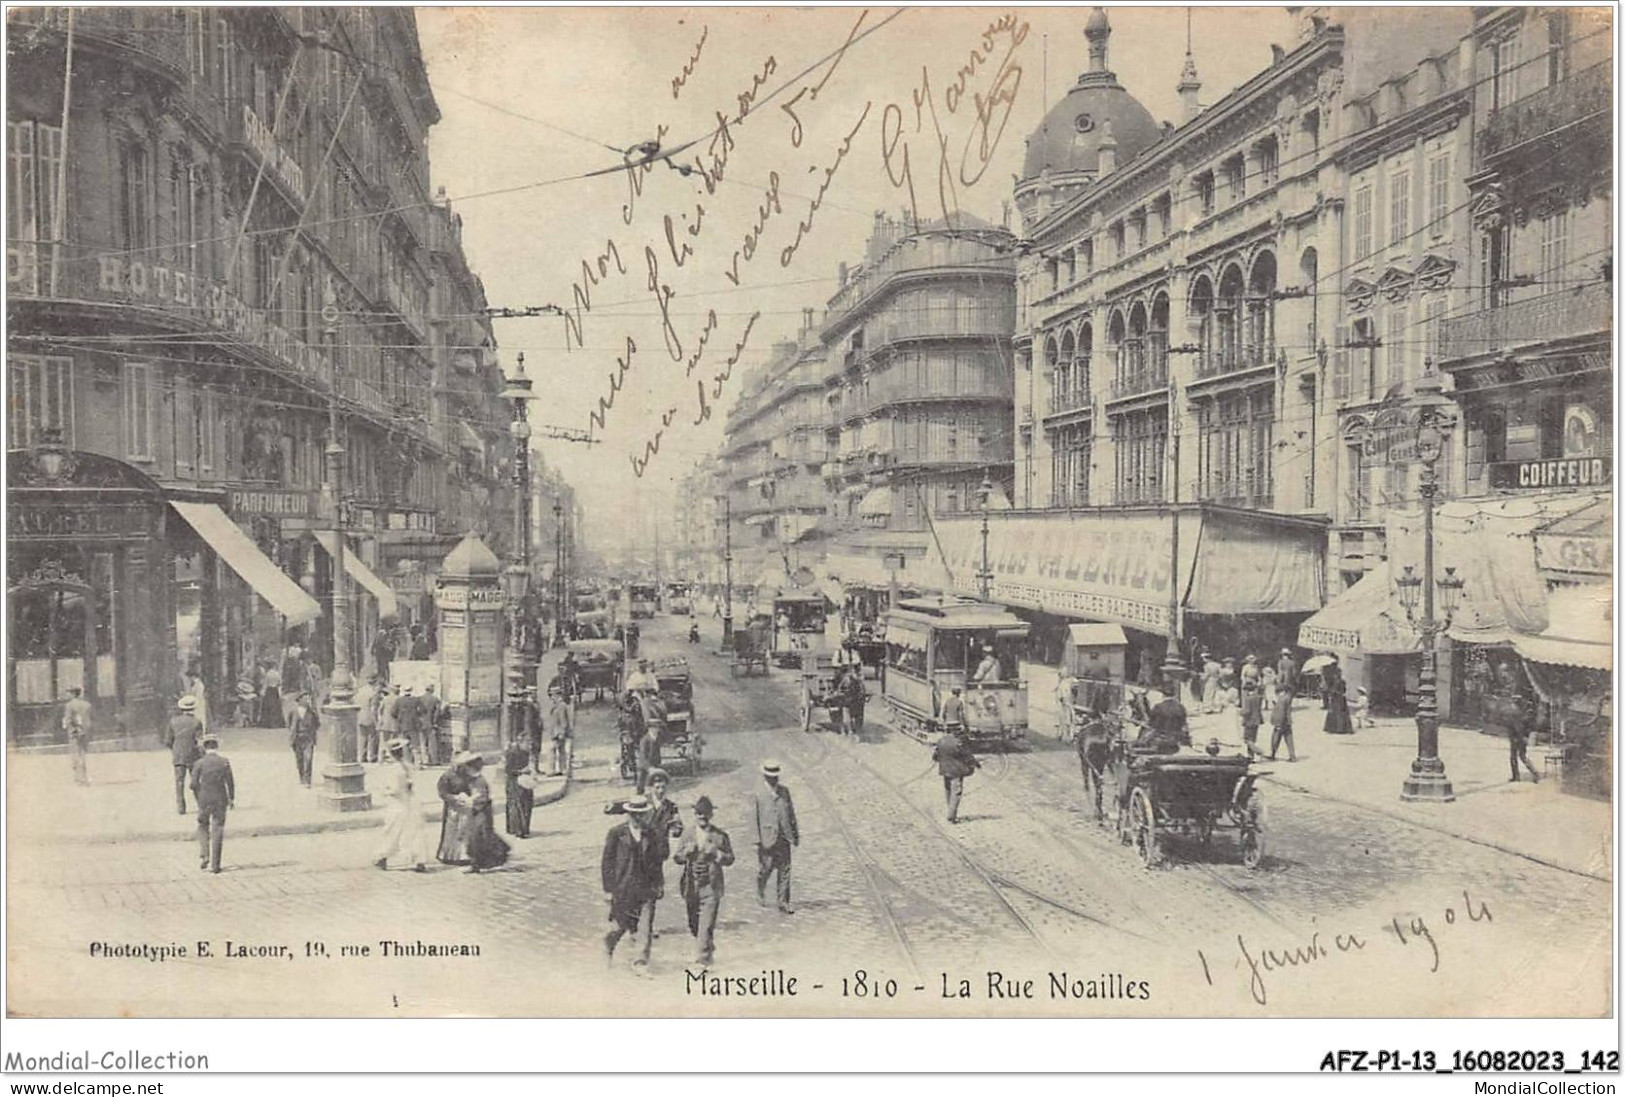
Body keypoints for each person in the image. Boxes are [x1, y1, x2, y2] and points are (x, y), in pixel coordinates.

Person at [601, 795, 661, 975]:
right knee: (620, 926)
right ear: (628, 814)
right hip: (623, 888)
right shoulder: (616, 833)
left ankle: (640, 962)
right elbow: (607, 863)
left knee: (645, 927)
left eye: (640, 814)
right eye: (634, 814)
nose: (637, 818)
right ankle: (608, 945)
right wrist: (608, 889)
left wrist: (659, 883)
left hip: (645, 887)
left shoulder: (650, 833)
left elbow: (656, 862)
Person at [673, 795, 734, 966]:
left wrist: (717, 853)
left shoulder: (720, 836)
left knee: (706, 925)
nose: (702, 817)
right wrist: (685, 853)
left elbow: (730, 858)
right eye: (699, 813)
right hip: (691, 885)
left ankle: (703, 959)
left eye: (705, 813)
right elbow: (676, 858)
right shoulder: (688, 833)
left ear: (711, 815)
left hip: (711, 885)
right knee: (694, 925)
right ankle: (706, 945)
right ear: (694, 815)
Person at [374, 738, 429, 872]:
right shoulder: (407, 766)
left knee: (392, 831)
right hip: (411, 802)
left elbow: (395, 790)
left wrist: (384, 791)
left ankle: (382, 857)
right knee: (414, 831)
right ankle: (419, 860)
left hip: (398, 804)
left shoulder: (395, 770)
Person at [751, 760, 799, 914]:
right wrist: (757, 839)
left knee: (785, 869)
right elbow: (753, 818)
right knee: (767, 868)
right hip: (767, 838)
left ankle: (783, 901)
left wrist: (795, 833)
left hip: (784, 836)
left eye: (776, 776)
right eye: (771, 777)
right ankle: (760, 886)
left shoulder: (784, 792)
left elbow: (791, 813)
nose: (774, 779)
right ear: (765, 776)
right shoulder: (758, 794)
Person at [190, 734, 234, 874]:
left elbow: (193, 784)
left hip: (204, 799)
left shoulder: (199, 763)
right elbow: (230, 783)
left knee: (202, 826)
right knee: (218, 828)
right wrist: (231, 799)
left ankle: (204, 854)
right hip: (220, 799)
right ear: (217, 746)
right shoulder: (224, 762)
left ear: (204, 747)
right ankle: (216, 864)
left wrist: (199, 796)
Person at [461, 754, 509, 873]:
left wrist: (471, 802)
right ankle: (477, 863)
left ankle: (479, 862)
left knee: (478, 837)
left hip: (481, 812)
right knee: (476, 837)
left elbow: (482, 797)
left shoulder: (480, 781)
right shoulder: (473, 780)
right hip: (477, 812)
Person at [436, 752, 478, 866]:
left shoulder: (468, 775)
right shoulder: (447, 776)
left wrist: (471, 797)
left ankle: (465, 855)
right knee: (452, 831)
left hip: (466, 807)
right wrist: (453, 798)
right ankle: (449, 855)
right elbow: (442, 792)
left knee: (465, 830)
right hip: (452, 808)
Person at [165, 696, 204, 814]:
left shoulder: (173, 721)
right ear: (193, 708)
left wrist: (175, 749)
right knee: (196, 780)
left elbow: (168, 741)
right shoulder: (197, 721)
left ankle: (181, 807)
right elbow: (199, 741)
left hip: (178, 755)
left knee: (179, 781)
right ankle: (200, 805)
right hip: (193, 755)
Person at [932, 726, 979, 824]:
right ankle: (951, 816)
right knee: (956, 792)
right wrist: (975, 763)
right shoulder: (959, 742)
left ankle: (950, 811)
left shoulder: (941, 741)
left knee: (948, 790)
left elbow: (935, 756)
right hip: (956, 771)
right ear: (956, 731)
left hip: (944, 770)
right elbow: (967, 755)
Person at [1137, 689, 1190, 754]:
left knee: (1142, 739)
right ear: (1174, 696)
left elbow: (1151, 723)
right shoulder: (1181, 707)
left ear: (1163, 696)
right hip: (1177, 737)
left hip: (1161, 736)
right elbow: (1183, 723)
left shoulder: (1158, 707)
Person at [504, 732, 536, 838]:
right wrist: (520, 771)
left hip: (525, 781)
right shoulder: (512, 753)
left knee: (527, 804)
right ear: (521, 743)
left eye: (530, 743)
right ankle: (518, 830)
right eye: (527, 743)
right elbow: (507, 770)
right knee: (518, 806)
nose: (529, 746)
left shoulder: (527, 753)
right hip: (513, 783)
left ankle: (525, 829)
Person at [62, 686, 93, 786]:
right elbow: (91, 718)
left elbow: (68, 719)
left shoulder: (69, 705)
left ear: (72, 694)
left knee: (75, 754)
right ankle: (83, 777)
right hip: (86, 731)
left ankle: (80, 778)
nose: (67, 695)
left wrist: (69, 728)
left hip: (75, 732)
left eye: (68, 693)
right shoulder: (87, 704)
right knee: (82, 753)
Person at [288, 691, 319, 787]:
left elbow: (317, 724)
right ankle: (302, 777)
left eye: (309, 698)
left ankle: (307, 780)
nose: (307, 700)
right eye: (305, 698)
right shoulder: (293, 712)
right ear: (300, 700)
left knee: (308, 759)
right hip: (297, 738)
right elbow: (289, 724)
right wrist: (292, 735)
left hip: (308, 738)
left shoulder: (312, 712)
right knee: (299, 759)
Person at [1510, 699, 1542, 783]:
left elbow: (1518, 728)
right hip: (1520, 738)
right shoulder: (1523, 715)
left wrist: (1520, 736)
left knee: (1517, 757)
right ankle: (1533, 774)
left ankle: (1517, 776)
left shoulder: (1519, 715)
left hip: (1517, 738)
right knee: (1521, 757)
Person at [548, 683, 575, 776]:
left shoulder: (561, 706)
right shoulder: (556, 705)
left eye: (553, 695)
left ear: (557, 695)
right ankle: (562, 769)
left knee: (553, 750)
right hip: (555, 732)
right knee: (561, 750)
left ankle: (552, 770)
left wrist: (562, 732)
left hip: (558, 733)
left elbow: (564, 721)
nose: (552, 697)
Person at [1322, 660, 1353, 736]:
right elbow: (1344, 689)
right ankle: (1342, 728)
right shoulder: (1341, 681)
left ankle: (1336, 729)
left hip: (1336, 698)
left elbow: (1332, 690)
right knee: (1341, 713)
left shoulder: (1334, 680)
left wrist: (1331, 691)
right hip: (1341, 698)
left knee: (1335, 712)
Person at [395, 684, 423, 765]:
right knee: (415, 745)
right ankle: (418, 762)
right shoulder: (416, 700)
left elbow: (393, 712)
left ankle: (407, 762)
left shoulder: (399, 700)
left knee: (405, 745)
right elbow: (422, 710)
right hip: (414, 725)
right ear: (411, 690)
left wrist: (399, 717)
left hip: (402, 725)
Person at [1239, 670, 1265, 759]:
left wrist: (1240, 712)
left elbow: (1246, 711)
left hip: (1249, 721)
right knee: (1253, 739)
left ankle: (1258, 751)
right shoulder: (1258, 697)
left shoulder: (1248, 699)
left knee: (1247, 740)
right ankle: (1250, 756)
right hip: (1257, 720)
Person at [635, 716, 663, 795]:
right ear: (650, 728)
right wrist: (649, 767)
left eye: (658, 728)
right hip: (644, 766)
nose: (657, 730)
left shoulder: (657, 738)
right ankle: (639, 796)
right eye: (655, 728)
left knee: (655, 784)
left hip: (655, 764)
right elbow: (643, 756)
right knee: (641, 784)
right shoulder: (644, 740)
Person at [356, 676, 379, 764]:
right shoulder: (373, 693)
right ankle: (371, 756)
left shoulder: (360, 691)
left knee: (362, 737)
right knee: (372, 737)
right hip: (369, 717)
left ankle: (361, 756)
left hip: (360, 716)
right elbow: (373, 709)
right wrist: (376, 721)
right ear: (374, 682)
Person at [1270, 685, 1297, 762]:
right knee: (1289, 739)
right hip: (1287, 721)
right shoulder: (1288, 698)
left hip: (1280, 722)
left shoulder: (1282, 700)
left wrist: (1278, 723)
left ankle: (1273, 754)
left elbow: (1281, 712)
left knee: (1275, 738)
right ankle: (1292, 756)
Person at [420, 684, 443, 765]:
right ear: (432, 690)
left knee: (422, 742)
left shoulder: (420, 698)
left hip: (421, 723)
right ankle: (434, 760)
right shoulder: (435, 699)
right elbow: (437, 713)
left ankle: (424, 760)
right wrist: (435, 722)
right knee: (432, 743)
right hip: (430, 723)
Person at [258, 661, 284, 728]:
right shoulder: (277, 673)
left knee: (268, 706)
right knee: (275, 707)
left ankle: (267, 723)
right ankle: (276, 723)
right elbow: (280, 683)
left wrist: (262, 693)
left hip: (269, 691)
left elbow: (265, 684)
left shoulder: (267, 674)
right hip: (275, 690)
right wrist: (280, 693)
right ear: (274, 666)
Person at [844, 666, 867, 736]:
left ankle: (858, 728)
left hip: (853, 670)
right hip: (843, 669)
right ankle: (849, 729)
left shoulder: (858, 676)